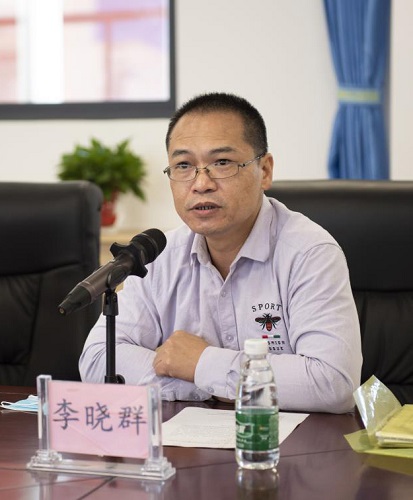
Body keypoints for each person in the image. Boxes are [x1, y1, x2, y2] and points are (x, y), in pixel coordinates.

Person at [79, 92, 362, 413]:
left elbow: (332, 383)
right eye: (183, 165)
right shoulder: (160, 257)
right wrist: (207, 382)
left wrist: (201, 363)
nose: (201, 183)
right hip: (185, 440)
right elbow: (99, 359)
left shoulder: (309, 253)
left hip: (287, 442)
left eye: (222, 163)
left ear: (265, 171)